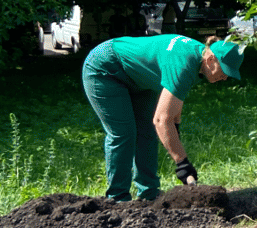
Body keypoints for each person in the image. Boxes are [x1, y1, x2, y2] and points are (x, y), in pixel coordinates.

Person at [82, 35, 245, 201]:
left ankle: (149, 194)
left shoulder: (199, 60)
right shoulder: (185, 63)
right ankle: (117, 198)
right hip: (106, 68)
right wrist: (182, 164)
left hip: (139, 78)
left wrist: (174, 131)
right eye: (224, 70)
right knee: (123, 133)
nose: (225, 77)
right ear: (211, 59)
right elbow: (161, 120)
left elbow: (174, 104)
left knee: (147, 132)